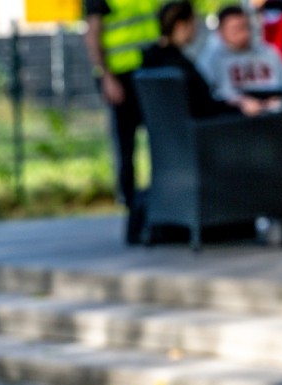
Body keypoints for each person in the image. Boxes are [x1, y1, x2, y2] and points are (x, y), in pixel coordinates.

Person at [84, 0, 164, 244]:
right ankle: (132, 212)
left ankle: (158, 205)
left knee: (161, 145)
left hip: (152, 71)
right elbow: (93, 34)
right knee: (126, 148)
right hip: (121, 77)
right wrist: (105, 76)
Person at [196, 4, 282, 110]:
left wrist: (280, 98)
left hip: (275, 114)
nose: (243, 33)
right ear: (221, 32)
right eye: (236, 28)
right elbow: (205, 96)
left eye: (245, 27)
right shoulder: (212, 58)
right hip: (233, 116)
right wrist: (237, 103)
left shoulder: (267, 52)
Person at [142, 1, 237, 118]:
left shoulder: (148, 60)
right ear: (181, 26)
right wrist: (237, 105)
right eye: (193, 22)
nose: (196, 28)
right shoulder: (179, 66)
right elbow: (204, 105)